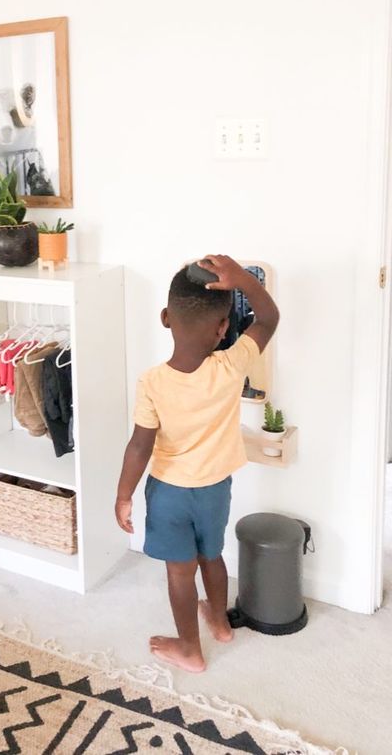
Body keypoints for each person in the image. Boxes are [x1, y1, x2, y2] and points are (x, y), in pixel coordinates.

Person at [115, 255, 279, 673]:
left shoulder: (152, 382)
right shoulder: (230, 365)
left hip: (170, 492)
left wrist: (123, 495)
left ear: (166, 317)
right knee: (212, 555)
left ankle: (190, 647)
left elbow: (139, 445)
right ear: (224, 328)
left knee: (180, 572)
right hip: (215, 489)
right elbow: (269, 317)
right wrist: (243, 280)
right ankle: (221, 624)